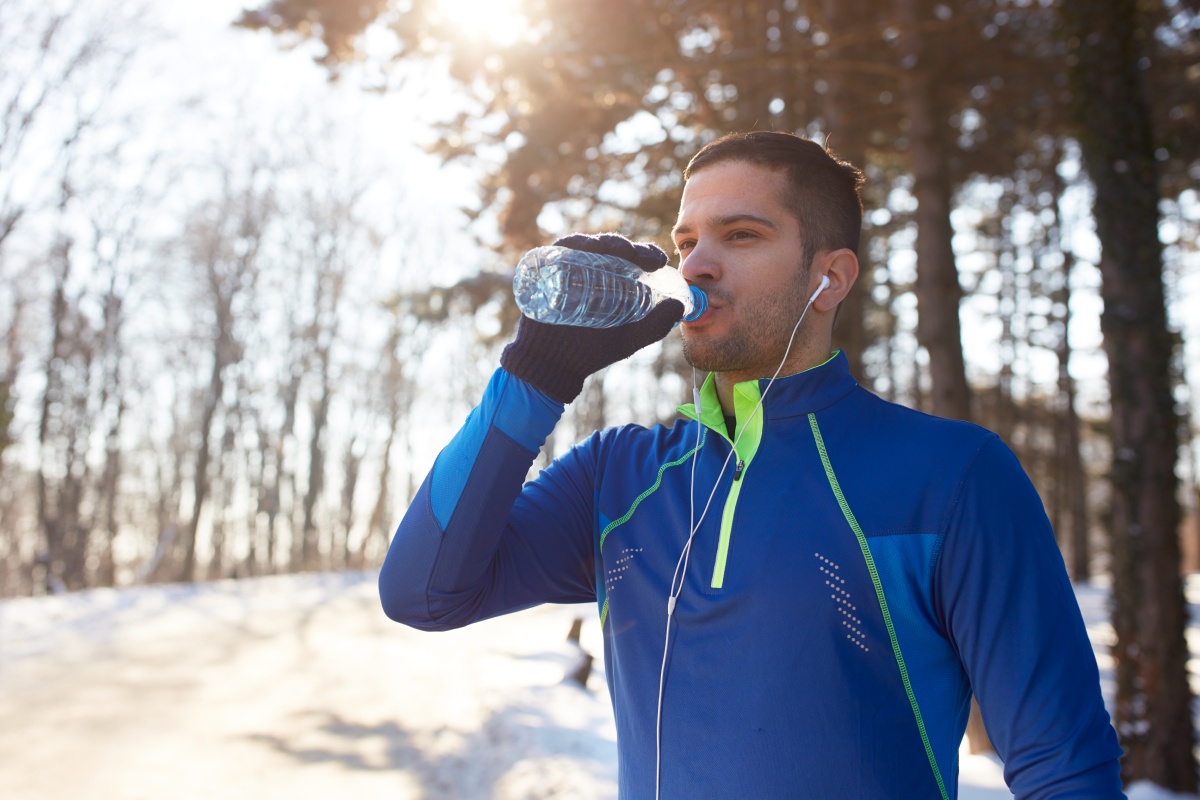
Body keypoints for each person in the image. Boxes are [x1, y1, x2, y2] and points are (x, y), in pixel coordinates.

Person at [379, 131, 1125, 799]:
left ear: (827, 279)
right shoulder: (619, 476)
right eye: (687, 240)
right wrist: (535, 376)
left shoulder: (952, 477)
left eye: (740, 234)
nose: (698, 264)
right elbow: (423, 592)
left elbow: (1066, 772)